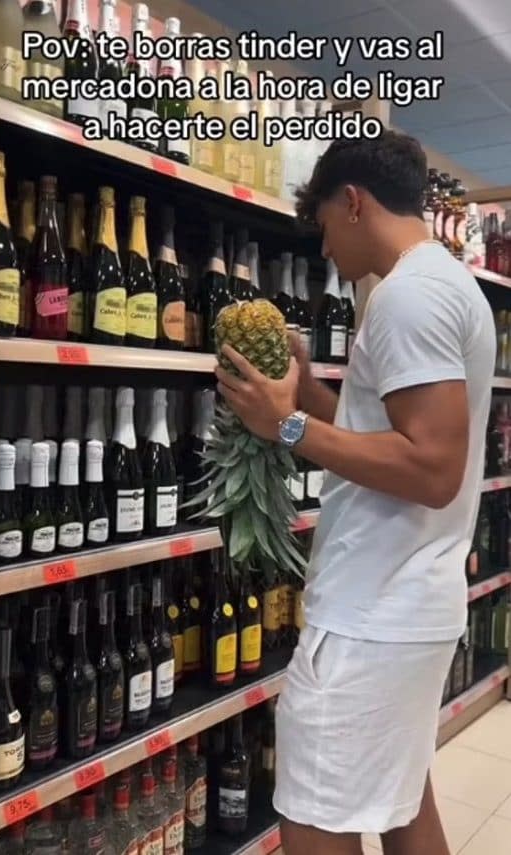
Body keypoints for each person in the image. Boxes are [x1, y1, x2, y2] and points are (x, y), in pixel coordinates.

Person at [214, 130, 496, 855]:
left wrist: (287, 425)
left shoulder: (410, 295)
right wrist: (307, 392)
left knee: (314, 817)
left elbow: (432, 470)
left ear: (353, 202)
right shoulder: (438, 284)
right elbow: (393, 439)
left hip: (373, 617)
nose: (323, 252)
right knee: (404, 807)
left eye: (323, 228)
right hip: (408, 604)